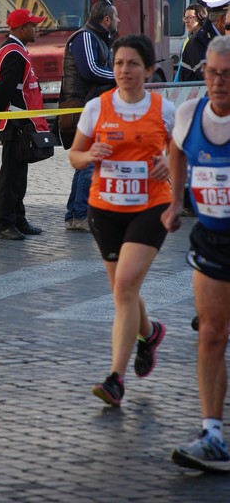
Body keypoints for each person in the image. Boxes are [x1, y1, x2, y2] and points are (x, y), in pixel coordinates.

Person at [69, 34, 175, 406]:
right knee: (123, 292)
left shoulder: (164, 109)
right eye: (118, 64)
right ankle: (150, 332)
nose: (124, 70)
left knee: (126, 286)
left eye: (132, 64)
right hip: (106, 209)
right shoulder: (97, 108)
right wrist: (89, 155)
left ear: (148, 70)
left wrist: (169, 164)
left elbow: (182, 155)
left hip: (151, 207)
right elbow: (74, 156)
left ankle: (115, 378)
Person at [161, 35, 230, 473]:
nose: (219, 82)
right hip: (210, 238)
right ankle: (213, 435)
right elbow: (176, 151)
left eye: (227, 75)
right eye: (212, 73)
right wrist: (174, 201)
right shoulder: (190, 114)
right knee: (210, 334)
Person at [0, 8, 49, 240]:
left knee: (19, 175)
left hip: (19, 121)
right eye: (32, 25)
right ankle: (6, 224)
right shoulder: (14, 53)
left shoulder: (15, 50)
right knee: (11, 176)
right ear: (21, 28)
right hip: (14, 122)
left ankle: (18, 218)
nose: (36, 29)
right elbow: (4, 90)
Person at [61, 0, 118, 232]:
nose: (119, 20)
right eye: (115, 16)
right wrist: (119, 76)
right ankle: (80, 214)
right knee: (89, 163)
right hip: (82, 107)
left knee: (85, 163)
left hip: (89, 106)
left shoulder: (99, 38)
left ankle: (74, 215)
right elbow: (90, 70)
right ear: (106, 19)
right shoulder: (85, 36)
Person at [177, 0, 227, 82]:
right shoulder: (199, 40)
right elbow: (210, 75)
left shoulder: (218, 36)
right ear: (222, 20)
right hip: (195, 94)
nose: (187, 21)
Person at [175, 4, 208, 82]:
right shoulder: (188, 40)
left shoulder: (202, 39)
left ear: (200, 18)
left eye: (190, 17)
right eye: (185, 18)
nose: (186, 21)